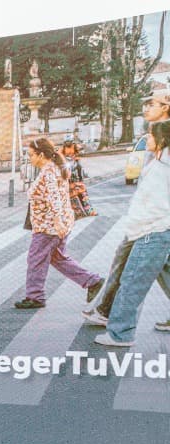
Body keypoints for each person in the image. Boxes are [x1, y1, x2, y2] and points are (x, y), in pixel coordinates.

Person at [84, 89, 170, 329]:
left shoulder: (165, 134)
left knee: (125, 261)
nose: (146, 108)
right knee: (162, 266)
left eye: (151, 104)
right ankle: (106, 309)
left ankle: (107, 312)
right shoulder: (157, 135)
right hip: (151, 217)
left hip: (155, 219)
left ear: (165, 106)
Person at [14, 138, 103, 310]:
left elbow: (53, 198)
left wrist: (57, 222)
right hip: (57, 222)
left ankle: (35, 296)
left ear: (41, 155)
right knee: (57, 258)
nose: (29, 158)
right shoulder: (56, 168)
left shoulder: (48, 172)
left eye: (31, 155)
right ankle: (92, 281)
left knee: (36, 259)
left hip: (49, 226)